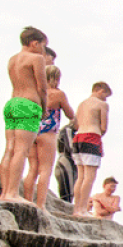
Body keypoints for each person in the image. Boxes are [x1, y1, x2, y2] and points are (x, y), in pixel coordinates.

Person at [0, 27, 49, 203]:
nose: (43, 50)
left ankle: (5, 192)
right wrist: (44, 107)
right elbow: (42, 87)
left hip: (12, 103)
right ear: (34, 43)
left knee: (10, 148)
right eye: (43, 45)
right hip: (29, 104)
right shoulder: (37, 58)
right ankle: (12, 193)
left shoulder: (12, 59)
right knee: (22, 150)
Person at [22, 57, 75, 209]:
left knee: (32, 168)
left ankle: (27, 201)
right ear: (56, 78)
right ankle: (40, 205)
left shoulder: (35, 92)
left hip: (32, 129)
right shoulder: (58, 94)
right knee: (45, 169)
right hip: (48, 132)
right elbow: (70, 114)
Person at [71, 82, 112, 216]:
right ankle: (82, 209)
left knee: (80, 175)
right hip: (92, 136)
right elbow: (104, 127)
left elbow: (76, 124)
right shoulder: (102, 105)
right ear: (100, 90)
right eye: (106, 95)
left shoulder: (81, 104)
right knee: (89, 176)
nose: (106, 99)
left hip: (78, 138)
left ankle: (77, 208)